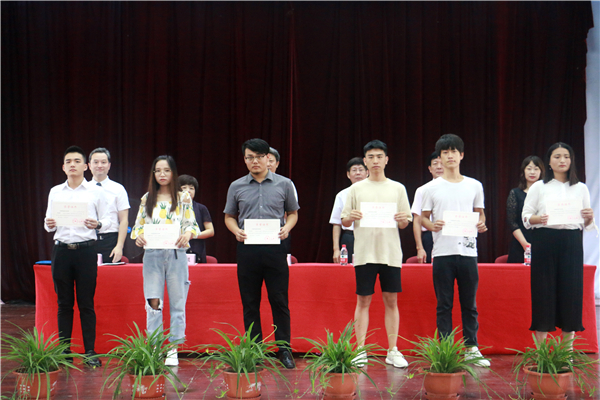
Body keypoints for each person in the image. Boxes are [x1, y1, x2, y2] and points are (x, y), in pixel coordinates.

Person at [224, 138, 299, 369]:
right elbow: (229, 216)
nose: (254, 161)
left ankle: (284, 349)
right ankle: (254, 350)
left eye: (259, 157)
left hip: (275, 249)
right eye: (250, 157)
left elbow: (293, 213)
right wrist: (236, 230)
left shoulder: (284, 184)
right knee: (250, 302)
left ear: (268, 158)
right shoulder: (236, 186)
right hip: (247, 250)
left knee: (279, 300)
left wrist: (287, 227)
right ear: (245, 159)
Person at [341, 140, 412, 368]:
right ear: (365, 160)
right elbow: (344, 221)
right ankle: (360, 350)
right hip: (364, 253)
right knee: (363, 300)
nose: (375, 161)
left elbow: (405, 222)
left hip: (390, 253)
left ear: (386, 160)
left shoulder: (398, 188)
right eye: (370, 157)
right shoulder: (356, 189)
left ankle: (392, 350)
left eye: (379, 156)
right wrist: (351, 217)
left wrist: (402, 220)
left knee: (391, 301)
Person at [421, 134, 490, 367]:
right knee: (444, 304)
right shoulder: (431, 188)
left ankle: (471, 348)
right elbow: (423, 218)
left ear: (461, 155)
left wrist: (481, 224)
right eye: (445, 152)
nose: (450, 156)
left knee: (470, 304)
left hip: (468, 252)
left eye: (453, 151)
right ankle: (446, 349)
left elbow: (480, 214)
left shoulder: (474, 185)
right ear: (439, 157)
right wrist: (432, 225)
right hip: (442, 252)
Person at [522, 142, 595, 345]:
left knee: (571, 292)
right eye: (557, 156)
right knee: (543, 291)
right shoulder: (539, 187)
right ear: (549, 161)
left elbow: (586, 223)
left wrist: (589, 217)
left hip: (571, 241)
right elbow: (526, 216)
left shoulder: (581, 188)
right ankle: (542, 352)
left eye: (566, 156)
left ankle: (566, 352)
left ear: (571, 161)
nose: (562, 160)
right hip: (544, 240)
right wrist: (539, 219)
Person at [44, 145, 110, 367]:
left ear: (86, 166)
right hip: (62, 250)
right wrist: (49, 223)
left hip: (86, 251)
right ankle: (64, 352)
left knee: (86, 303)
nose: (72, 165)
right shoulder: (55, 191)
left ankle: (90, 351)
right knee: (64, 303)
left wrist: (97, 224)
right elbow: (48, 224)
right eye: (68, 161)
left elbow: (108, 221)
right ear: (63, 167)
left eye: (77, 161)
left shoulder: (96, 192)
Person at [131, 155, 200, 366]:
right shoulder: (147, 198)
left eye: (166, 170)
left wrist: (187, 234)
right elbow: (138, 227)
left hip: (177, 254)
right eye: (158, 170)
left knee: (178, 302)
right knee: (153, 302)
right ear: (153, 174)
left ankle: (173, 347)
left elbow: (191, 224)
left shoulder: (183, 197)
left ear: (173, 173)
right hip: (152, 254)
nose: (162, 174)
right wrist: (139, 237)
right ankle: (154, 346)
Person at [88, 147, 130, 264]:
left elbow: (124, 220)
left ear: (109, 165)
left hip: (111, 240)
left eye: (103, 162)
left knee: (110, 274)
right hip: (88, 239)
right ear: (89, 165)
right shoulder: (83, 189)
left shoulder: (118, 189)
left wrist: (119, 246)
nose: (99, 165)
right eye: (95, 162)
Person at [506, 156, 544, 263]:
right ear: (523, 171)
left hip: (543, 241)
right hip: (520, 243)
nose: (532, 172)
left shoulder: (547, 194)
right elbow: (512, 222)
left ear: (541, 172)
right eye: (529, 168)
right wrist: (525, 244)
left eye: (536, 169)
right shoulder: (515, 193)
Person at [329, 157, 368, 263]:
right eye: (354, 170)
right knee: (349, 269)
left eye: (361, 170)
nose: (358, 173)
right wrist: (336, 249)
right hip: (350, 237)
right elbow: (336, 223)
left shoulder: (375, 192)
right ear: (348, 174)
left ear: (367, 173)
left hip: (370, 236)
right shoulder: (341, 195)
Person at [411, 152, 444, 263]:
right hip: (429, 237)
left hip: (452, 235)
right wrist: (420, 248)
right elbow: (417, 220)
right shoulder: (422, 190)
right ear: (429, 168)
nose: (439, 167)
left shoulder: (458, 188)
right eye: (435, 163)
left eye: (442, 163)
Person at [179, 174, 215, 263]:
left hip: (197, 251)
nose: (188, 191)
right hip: (176, 251)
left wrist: (192, 235)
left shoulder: (201, 208)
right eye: (184, 188)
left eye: (191, 188)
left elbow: (210, 231)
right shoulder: (171, 208)